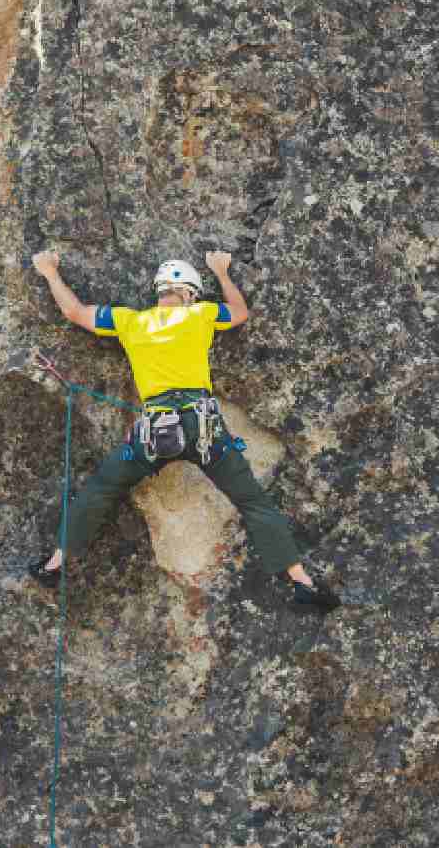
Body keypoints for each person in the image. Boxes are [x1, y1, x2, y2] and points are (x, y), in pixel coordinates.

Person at [27, 249, 339, 610]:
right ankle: (302, 582)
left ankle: (54, 565)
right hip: (202, 425)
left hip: (155, 430)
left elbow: (74, 312)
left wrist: (50, 272)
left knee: (101, 487)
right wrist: (222, 272)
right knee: (252, 500)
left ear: (159, 290)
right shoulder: (202, 314)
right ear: (190, 293)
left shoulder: (130, 322)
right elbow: (239, 312)